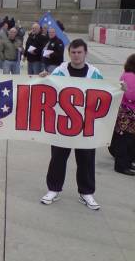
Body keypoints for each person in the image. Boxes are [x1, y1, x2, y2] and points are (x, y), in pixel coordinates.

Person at [40, 39, 103, 210]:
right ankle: (53, 189)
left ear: (85, 53)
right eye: (73, 52)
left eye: (79, 52)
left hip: (85, 126)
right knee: (58, 159)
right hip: (62, 125)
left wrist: (121, 89)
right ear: (69, 54)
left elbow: (106, 95)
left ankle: (86, 192)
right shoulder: (60, 71)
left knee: (86, 160)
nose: (76, 55)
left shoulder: (94, 73)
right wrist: (43, 80)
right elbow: (48, 90)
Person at [109, 53, 135, 176]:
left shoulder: (130, 74)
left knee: (128, 139)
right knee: (124, 140)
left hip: (130, 112)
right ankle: (121, 165)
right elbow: (130, 95)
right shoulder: (131, 76)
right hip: (129, 113)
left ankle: (126, 162)